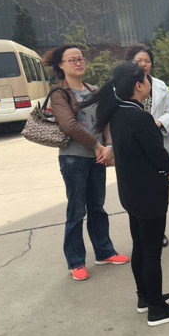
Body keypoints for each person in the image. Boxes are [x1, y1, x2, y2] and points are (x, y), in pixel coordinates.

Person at [81, 61, 169, 327]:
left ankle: (146, 297)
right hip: (149, 193)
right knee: (152, 252)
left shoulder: (118, 112)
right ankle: (157, 309)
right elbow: (158, 155)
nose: (149, 82)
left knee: (140, 246)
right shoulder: (138, 116)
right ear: (138, 85)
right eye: (147, 79)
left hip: (131, 191)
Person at [46, 45, 129, 282]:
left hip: (98, 157)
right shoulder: (59, 93)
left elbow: (106, 120)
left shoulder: (94, 90)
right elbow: (69, 125)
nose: (78, 62)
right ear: (61, 65)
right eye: (72, 60)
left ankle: (104, 252)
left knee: (97, 207)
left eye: (81, 58)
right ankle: (76, 261)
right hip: (74, 158)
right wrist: (96, 145)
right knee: (76, 210)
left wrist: (109, 145)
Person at [125, 44, 169, 248]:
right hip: (135, 148)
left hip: (157, 143)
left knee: (159, 192)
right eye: (139, 61)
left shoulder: (161, 86)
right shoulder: (123, 87)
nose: (143, 64)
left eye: (147, 61)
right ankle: (139, 234)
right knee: (137, 193)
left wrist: (157, 123)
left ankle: (159, 233)